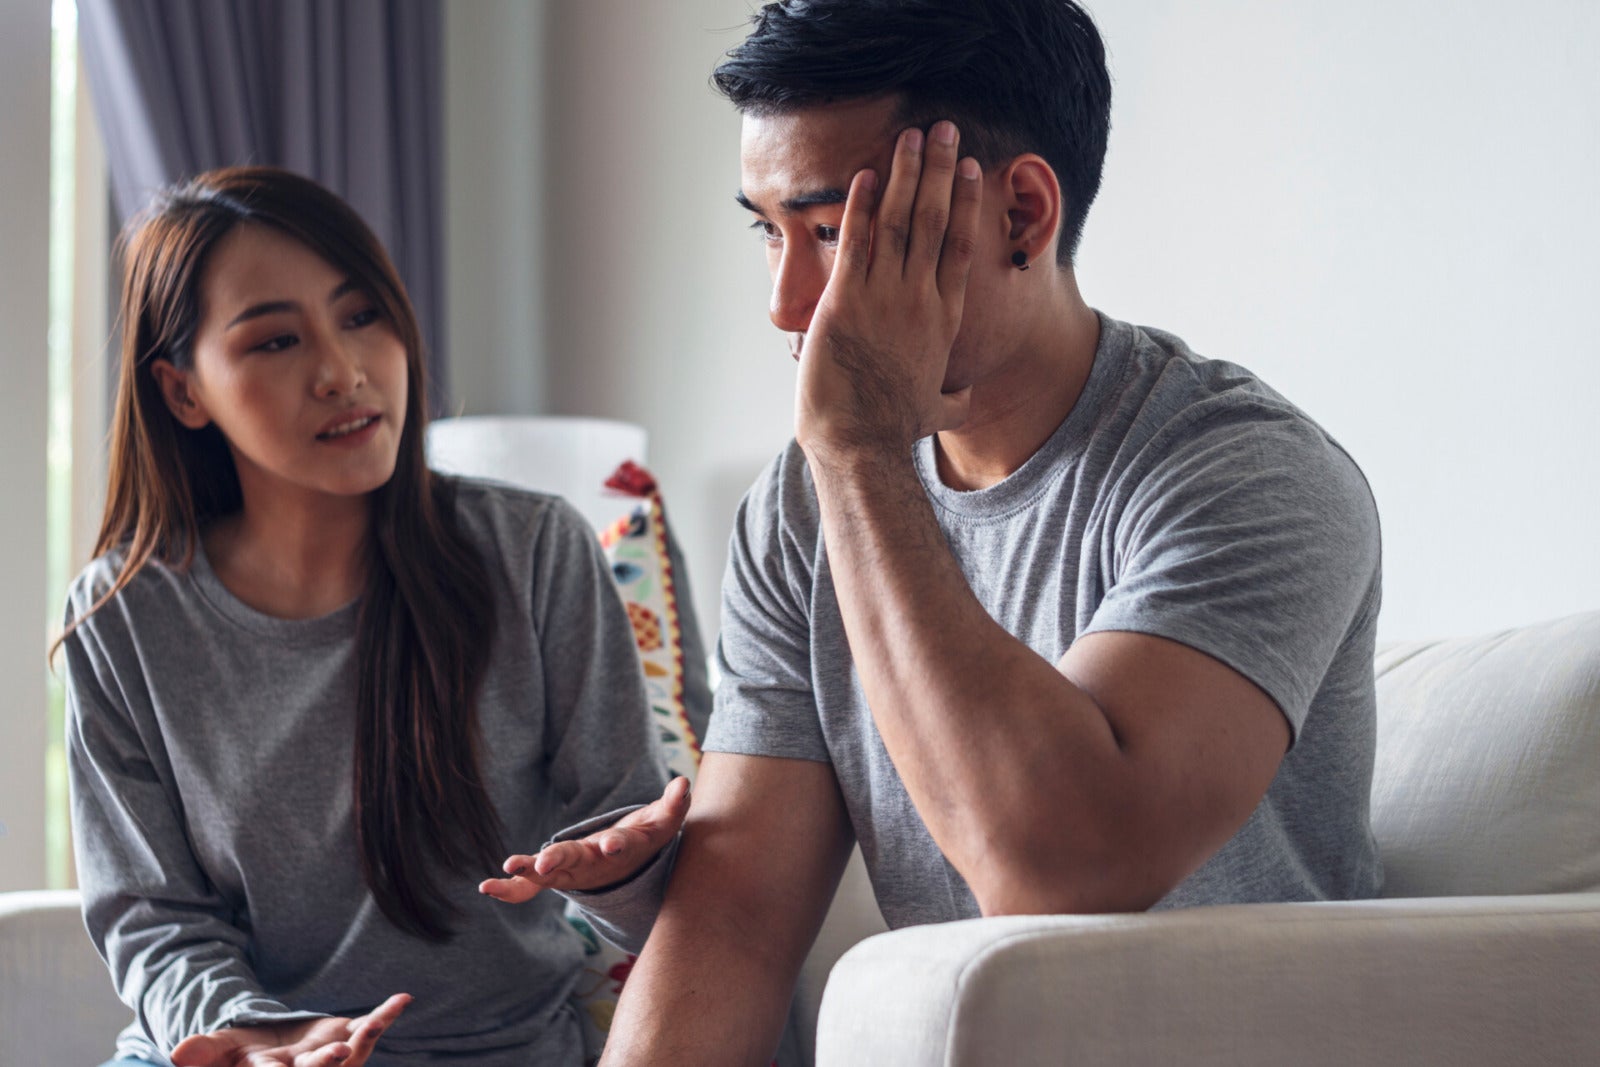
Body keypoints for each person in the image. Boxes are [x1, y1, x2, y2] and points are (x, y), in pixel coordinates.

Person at [543, 1, 1385, 1063]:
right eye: (769, 231)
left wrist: (858, 449)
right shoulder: (799, 510)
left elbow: (1058, 872)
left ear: (1022, 216)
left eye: (836, 235)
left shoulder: (1244, 469)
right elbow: (736, 920)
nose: (785, 300)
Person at [60, 166, 689, 1067]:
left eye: (363, 317)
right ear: (182, 392)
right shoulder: (123, 615)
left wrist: (621, 864)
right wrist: (260, 1035)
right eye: (276, 341)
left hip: (492, 1051)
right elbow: (152, 912)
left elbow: (632, 851)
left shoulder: (534, 549)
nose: (343, 371)